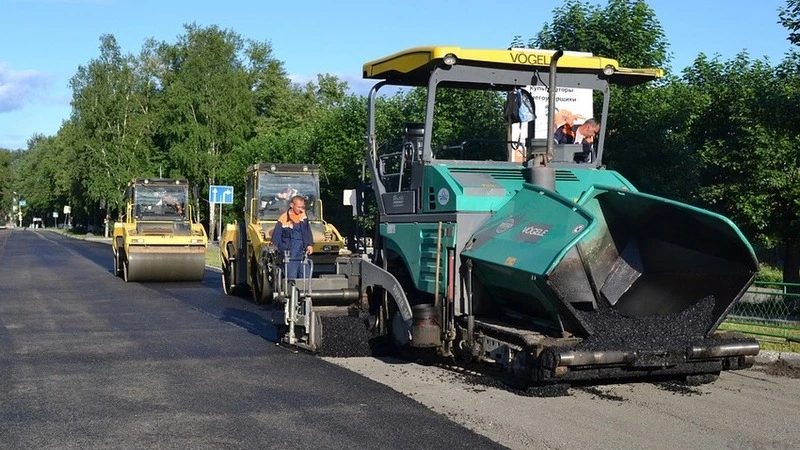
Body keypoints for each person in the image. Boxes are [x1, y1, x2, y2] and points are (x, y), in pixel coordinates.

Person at [272, 195, 314, 279]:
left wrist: (310, 244)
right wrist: (282, 251)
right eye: (299, 207)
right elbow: (276, 238)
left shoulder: (303, 216)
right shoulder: (283, 219)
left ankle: (304, 292)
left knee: (305, 278)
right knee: (291, 279)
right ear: (292, 205)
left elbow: (307, 231)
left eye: (303, 207)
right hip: (290, 257)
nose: (301, 209)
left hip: (302, 255)